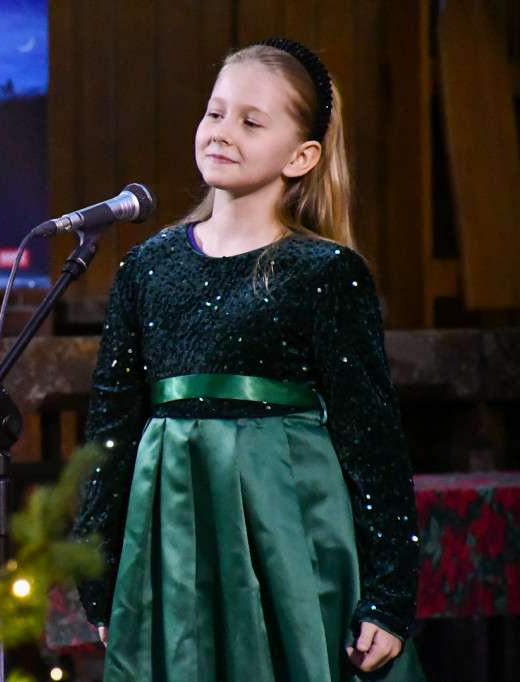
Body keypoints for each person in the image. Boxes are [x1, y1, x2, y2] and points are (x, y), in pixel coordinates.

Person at [73, 39, 426, 681]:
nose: (222, 132)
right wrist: (97, 568)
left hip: (286, 532)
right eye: (215, 113)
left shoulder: (323, 273)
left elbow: (371, 439)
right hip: (172, 532)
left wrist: (390, 595)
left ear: (302, 156)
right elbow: (112, 426)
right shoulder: (147, 267)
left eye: (251, 121)